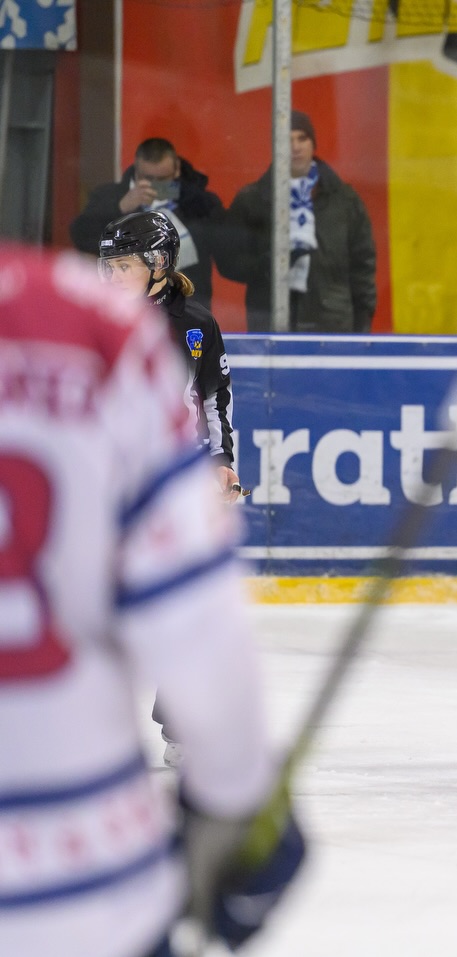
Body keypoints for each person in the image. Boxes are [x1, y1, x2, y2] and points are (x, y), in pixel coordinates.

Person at [0, 245, 304, 957]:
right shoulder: (88, 326)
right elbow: (197, 630)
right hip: (86, 888)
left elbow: (214, 403)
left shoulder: (158, 324)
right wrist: (238, 799)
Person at [98, 210, 239, 504]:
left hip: (179, 467)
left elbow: (214, 397)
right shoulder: (99, 319)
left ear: (159, 264)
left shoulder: (197, 324)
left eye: (124, 266)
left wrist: (220, 459)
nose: (113, 277)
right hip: (114, 467)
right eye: (109, 267)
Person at [218, 111, 377, 333]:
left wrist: (362, 325)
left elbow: (363, 266)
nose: (295, 147)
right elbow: (228, 262)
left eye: (302, 138)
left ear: (313, 144)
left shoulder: (344, 199)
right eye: (286, 139)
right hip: (272, 322)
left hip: (333, 325)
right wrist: (270, 264)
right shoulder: (253, 199)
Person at [69, 138, 227, 307]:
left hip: (186, 301)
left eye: (162, 179)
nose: (155, 185)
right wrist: (119, 207)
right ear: (136, 172)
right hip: (127, 302)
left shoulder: (198, 202)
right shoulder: (108, 196)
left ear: (176, 171)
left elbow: (225, 249)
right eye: (148, 178)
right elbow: (82, 236)